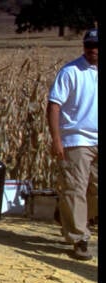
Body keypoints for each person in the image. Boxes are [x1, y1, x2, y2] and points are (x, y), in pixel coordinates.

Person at [46, 28, 98, 261]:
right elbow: (54, 105)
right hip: (77, 139)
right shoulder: (70, 72)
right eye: (90, 46)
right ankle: (79, 238)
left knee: (93, 191)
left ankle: (66, 213)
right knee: (76, 188)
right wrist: (57, 139)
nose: (93, 51)